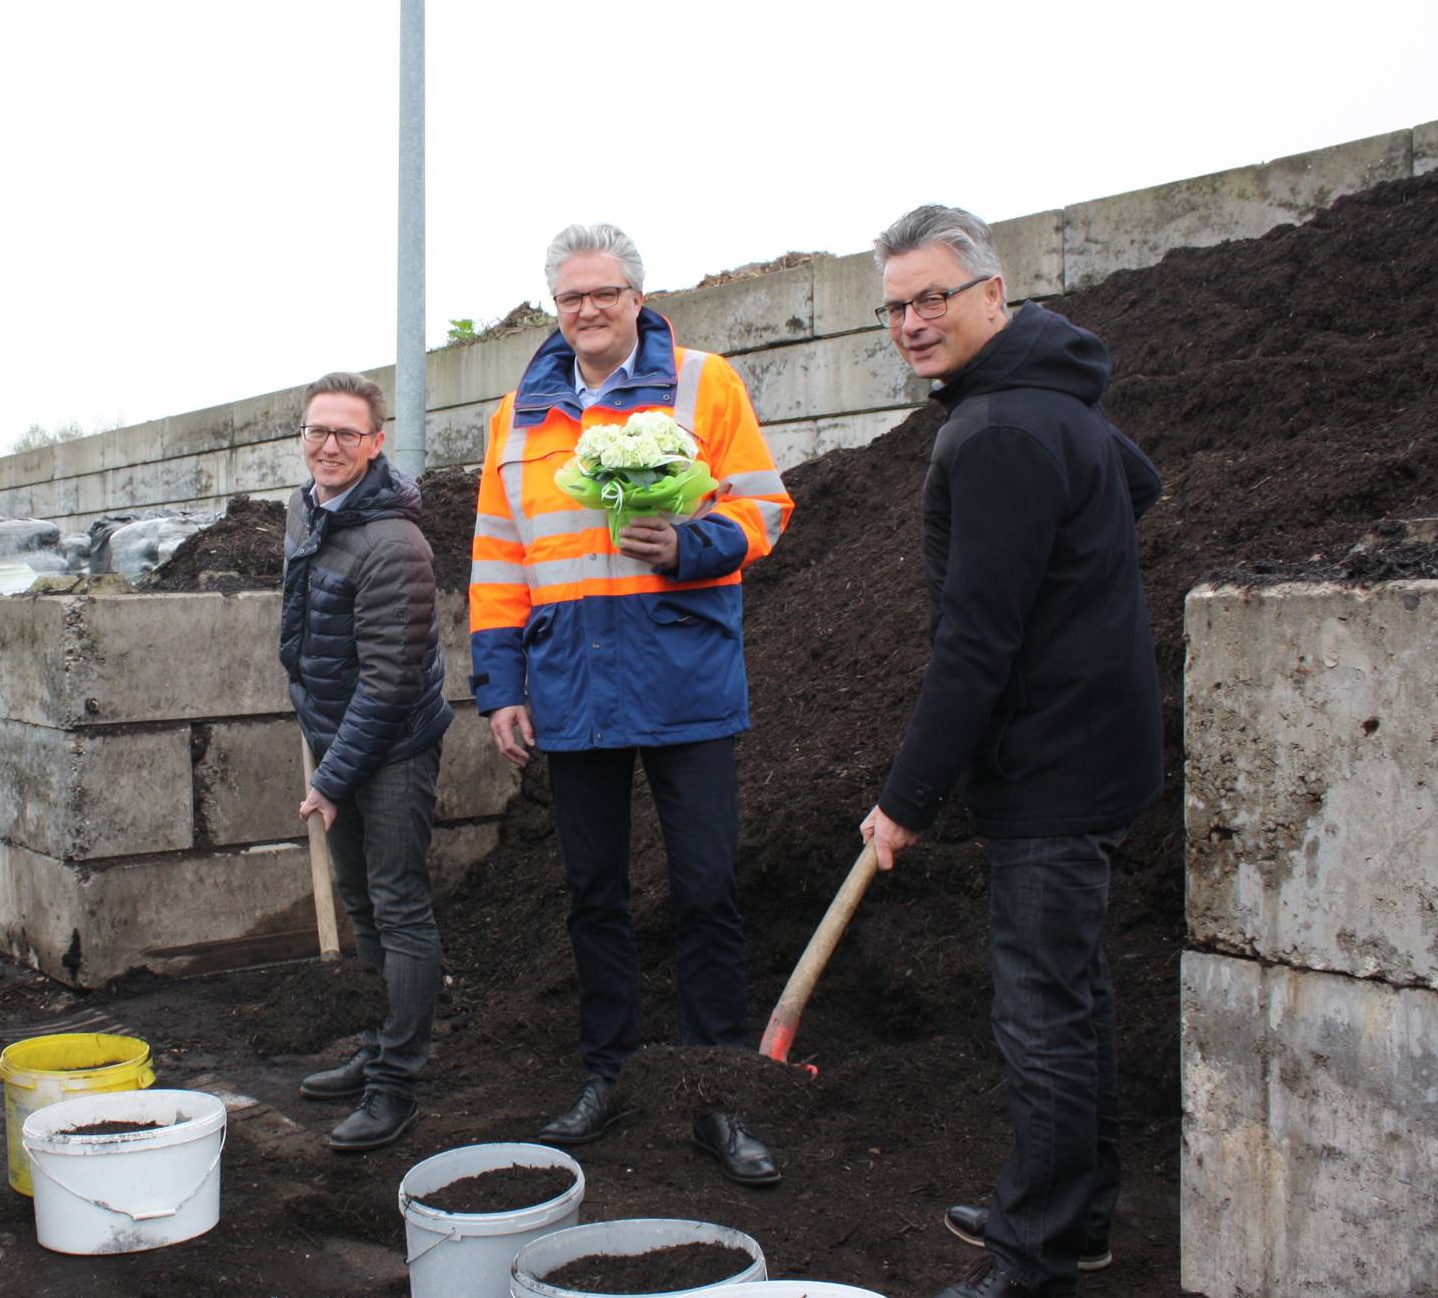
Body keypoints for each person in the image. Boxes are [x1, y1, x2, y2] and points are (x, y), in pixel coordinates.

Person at [857, 204, 1162, 1298]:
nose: (910, 321)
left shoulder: (996, 432)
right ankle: (1074, 1215)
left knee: (1039, 1013)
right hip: (1099, 740)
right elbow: (1139, 483)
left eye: (931, 297)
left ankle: (1031, 1262)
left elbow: (975, 644)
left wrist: (907, 797)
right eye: (893, 306)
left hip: (1053, 758)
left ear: (994, 291)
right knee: (1071, 996)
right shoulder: (1044, 396)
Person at [468, 223, 794, 1184]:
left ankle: (717, 1094)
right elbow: (498, 556)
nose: (587, 311)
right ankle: (609, 1072)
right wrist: (500, 687)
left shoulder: (703, 382)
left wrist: (690, 547)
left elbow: (765, 506)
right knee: (593, 894)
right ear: (554, 307)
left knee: (706, 890)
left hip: (681, 672)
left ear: (638, 299)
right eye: (570, 297)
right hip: (572, 681)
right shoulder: (516, 416)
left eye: (604, 293)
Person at [281, 371, 452, 1152]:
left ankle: (398, 1081)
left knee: (398, 901)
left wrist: (330, 777)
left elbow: (386, 686)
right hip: (340, 735)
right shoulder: (306, 512)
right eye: (318, 430)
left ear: (376, 443)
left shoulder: (395, 543)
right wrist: (310, 721)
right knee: (361, 900)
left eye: (347, 433)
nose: (329, 446)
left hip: (393, 746)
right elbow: (300, 631)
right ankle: (382, 1040)